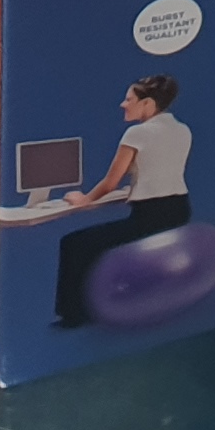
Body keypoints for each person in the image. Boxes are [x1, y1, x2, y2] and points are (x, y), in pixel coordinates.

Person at [53, 73, 193, 324]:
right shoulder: (183, 130)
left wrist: (85, 200)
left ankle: (74, 315)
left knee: (74, 244)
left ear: (147, 103)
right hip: (180, 209)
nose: (123, 104)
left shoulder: (136, 133)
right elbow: (158, 168)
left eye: (129, 99)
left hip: (151, 216)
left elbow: (110, 182)